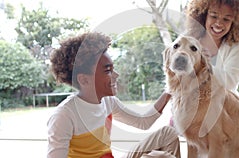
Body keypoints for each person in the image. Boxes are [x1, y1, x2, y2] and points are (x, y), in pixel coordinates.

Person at [47, 32, 181, 158]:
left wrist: (171, 87)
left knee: (168, 134)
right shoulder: (64, 115)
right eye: (108, 71)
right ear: (84, 79)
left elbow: (143, 122)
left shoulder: (108, 102)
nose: (116, 75)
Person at [186, 0, 239, 95]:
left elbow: (231, 82)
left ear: (234, 22)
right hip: (189, 101)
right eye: (213, 16)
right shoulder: (188, 38)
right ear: (203, 16)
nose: (219, 23)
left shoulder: (238, 43)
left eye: (226, 19)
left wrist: (202, 66)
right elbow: (176, 74)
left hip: (225, 103)